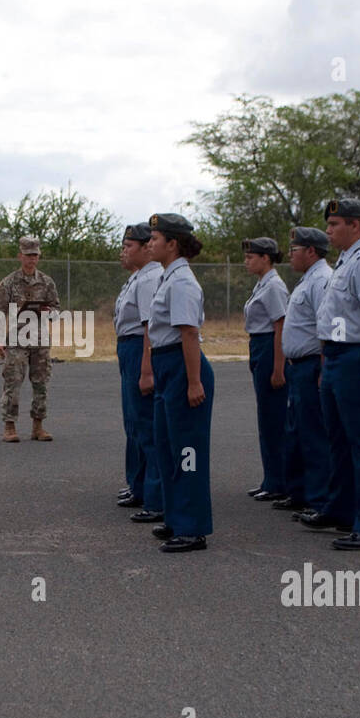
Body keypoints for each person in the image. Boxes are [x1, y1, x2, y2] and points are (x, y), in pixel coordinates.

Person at [296, 198, 360, 550]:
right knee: (338, 440)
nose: (328, 230)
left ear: (355, 225)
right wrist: (328, 362)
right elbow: (335, 318)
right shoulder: (345, 263)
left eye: (335, 223)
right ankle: (341, 509)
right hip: (339, 356)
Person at [143, 213, 214, 553]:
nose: (150, 244)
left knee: (188, 452)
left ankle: (192, 528)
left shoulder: (183, 281)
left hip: (184, 366)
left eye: (155, 238)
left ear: (172, 243)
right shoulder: (168, 277)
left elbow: (189, 333)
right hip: (167, 364)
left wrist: (194, 381)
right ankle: (175, 517)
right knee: (169, 447)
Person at [277, 226, 333, 515]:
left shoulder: (322, 280)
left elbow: (326, 325)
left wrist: (324, 366)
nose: (290, 255)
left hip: (312, 364)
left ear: (311, 251)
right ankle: (299, 492)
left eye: (295, 250)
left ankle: (319, 499)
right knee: (296, 432)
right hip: (298, 366)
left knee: (314, 435)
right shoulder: (307, 280)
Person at [113, 223, 165, 523]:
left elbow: (149, 327)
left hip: (139, 350)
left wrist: (146, 369)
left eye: (129, 246)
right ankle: (138, 484)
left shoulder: (150, 279)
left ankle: (154, 495)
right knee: (133, 422)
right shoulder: (137, 278)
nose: (124, 251)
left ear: (147, 248)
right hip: (128, 348)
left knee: (145, 423)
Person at [0, 236, 60, 442]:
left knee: (41, 382)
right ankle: (9, 426)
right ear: (20, 256)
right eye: (28, 255)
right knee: (13, 382)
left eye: (35, 255)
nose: (32, 259)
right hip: (16, 339)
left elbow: (57, 310)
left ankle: (38, 426)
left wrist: (49, 312)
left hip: (40, 340)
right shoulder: (9, 283)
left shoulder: (47, 282)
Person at [241, 237, 290, 502]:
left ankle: (278, 481)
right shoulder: (263, 284)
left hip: (270, 348)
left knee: (274, 418)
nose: (247, 261)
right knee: (266, 417)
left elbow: (280, 325)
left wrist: (279, 367)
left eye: (252, 256)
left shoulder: (273, 286)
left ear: (267, 258)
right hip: (259, 346)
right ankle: (271, 478)